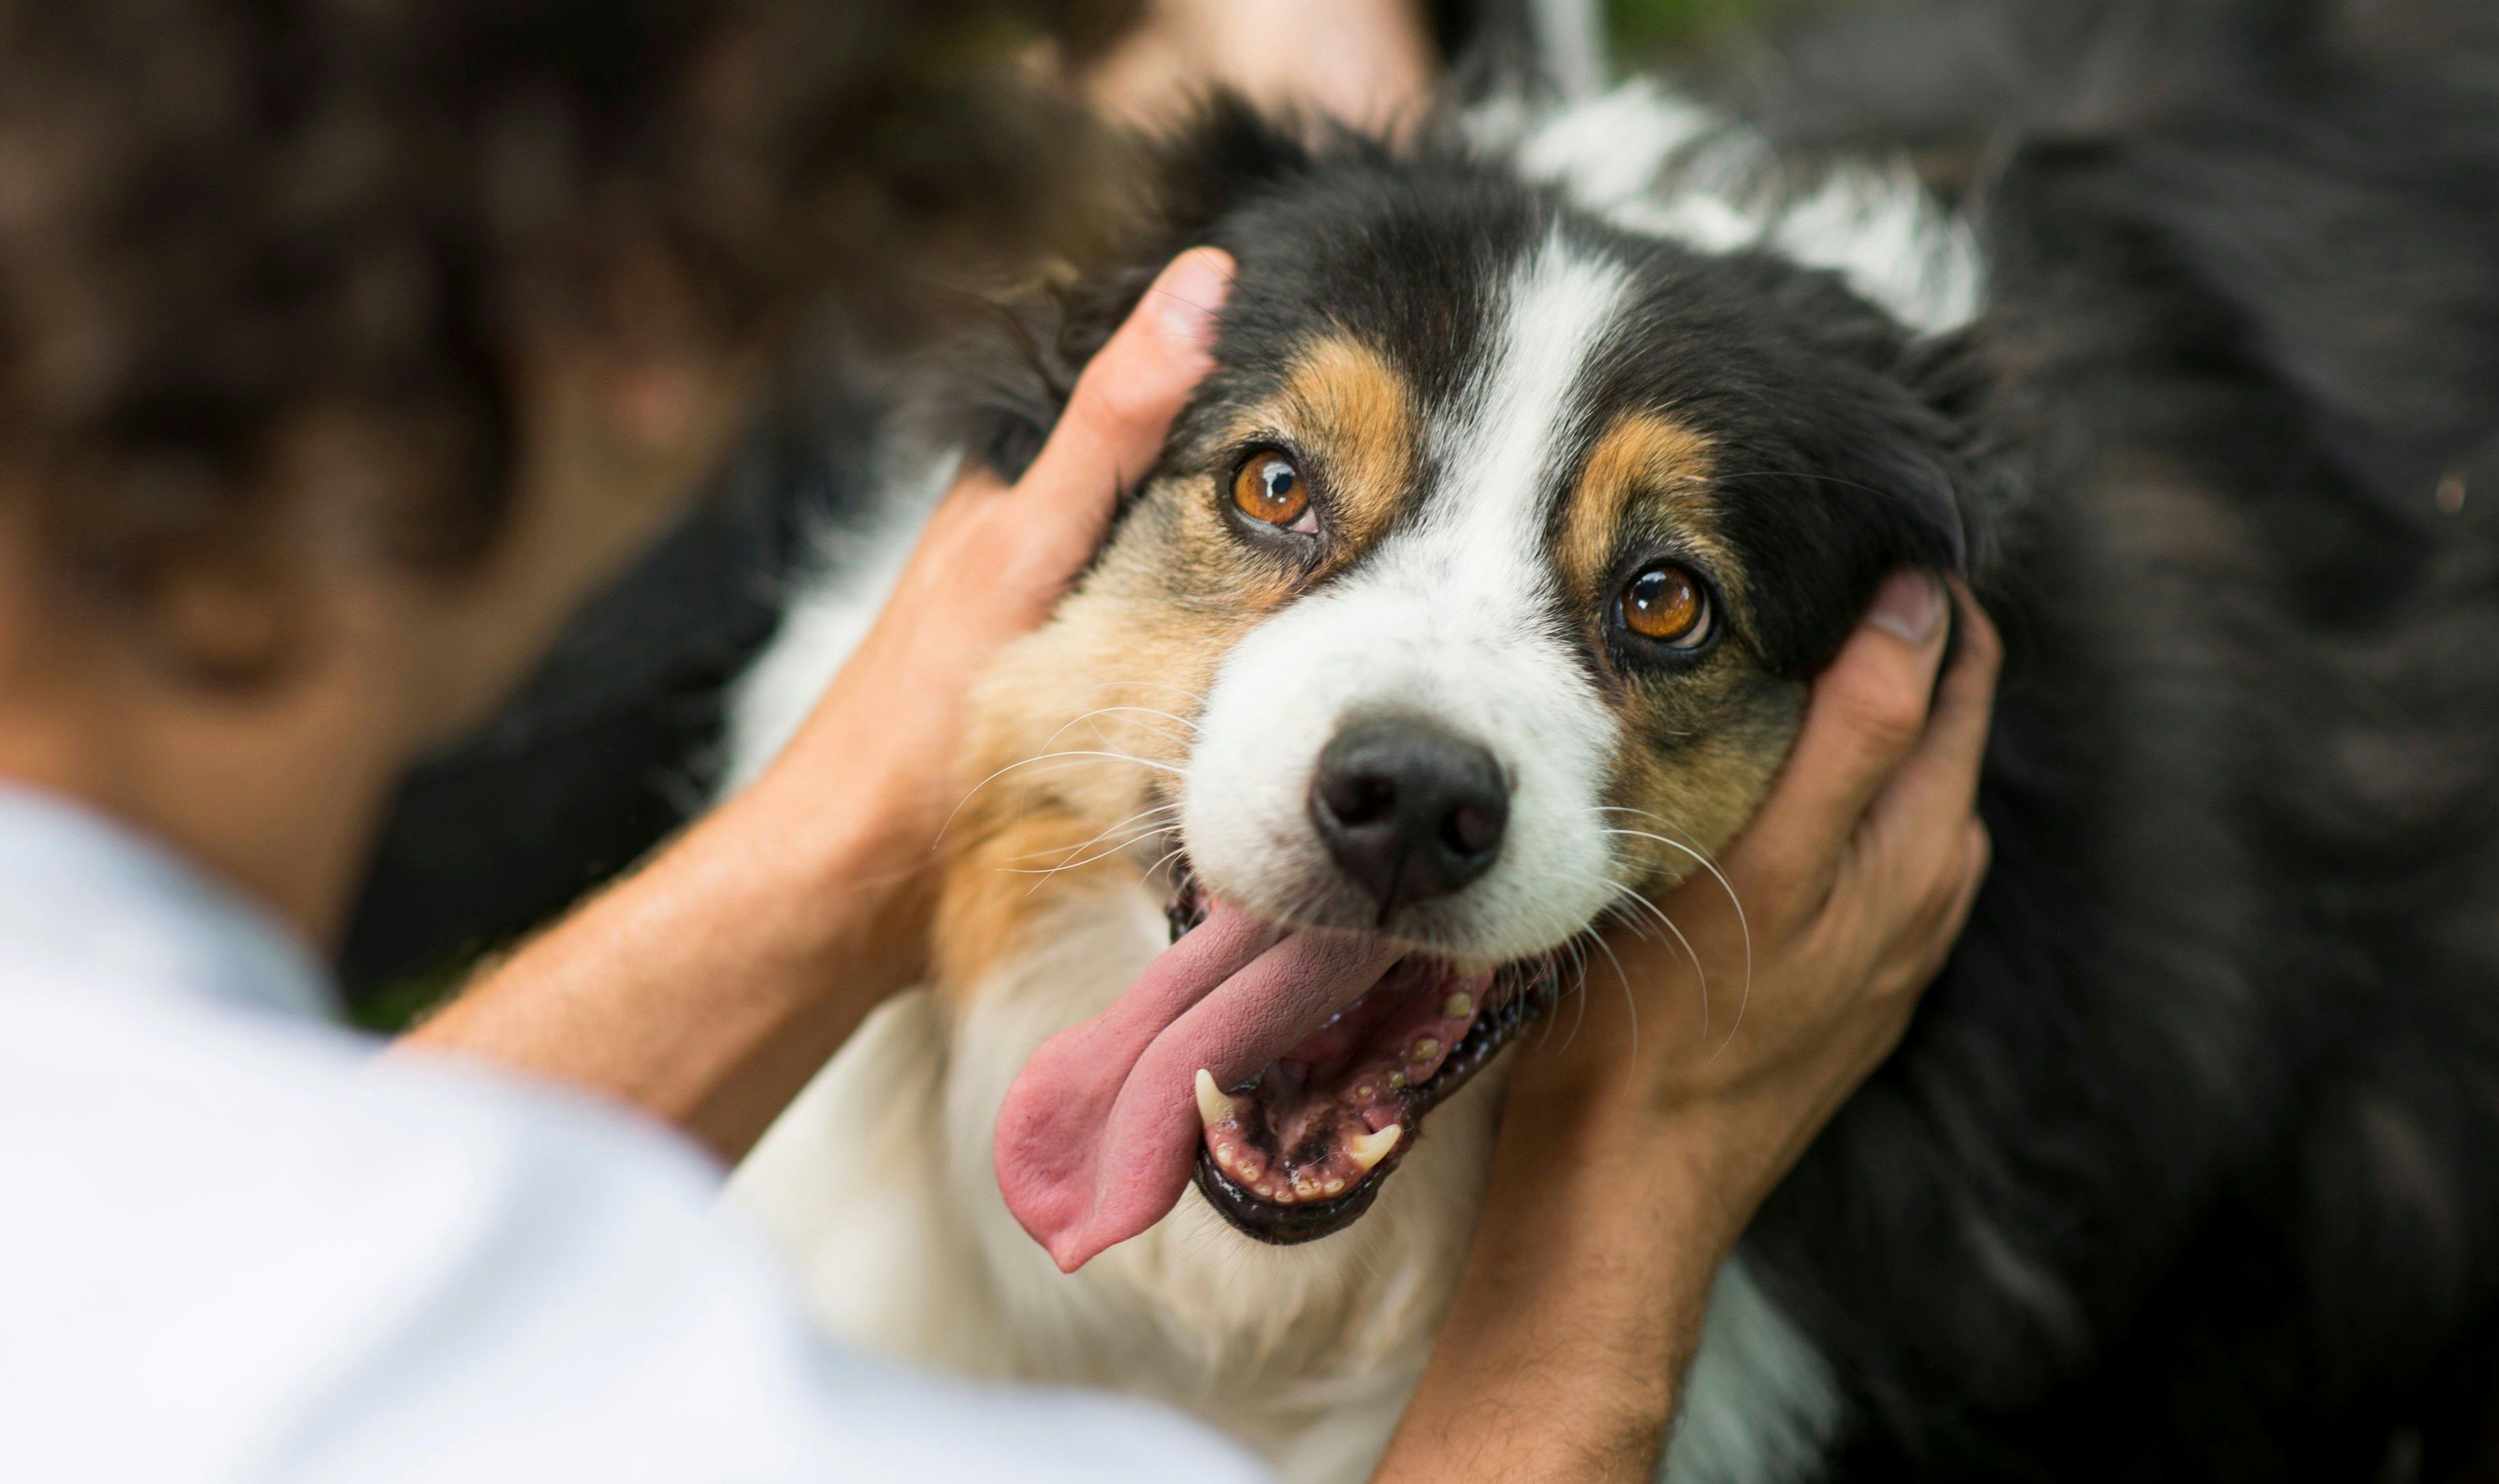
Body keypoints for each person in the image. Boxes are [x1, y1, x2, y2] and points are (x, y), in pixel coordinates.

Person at [0, 1, 1998, 1479]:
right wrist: (1609, 1261)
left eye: (1660, 607)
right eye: (1280, 493)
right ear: (631, 324)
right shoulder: (682, 1416)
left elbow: (309, 1255)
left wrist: (847, 839)